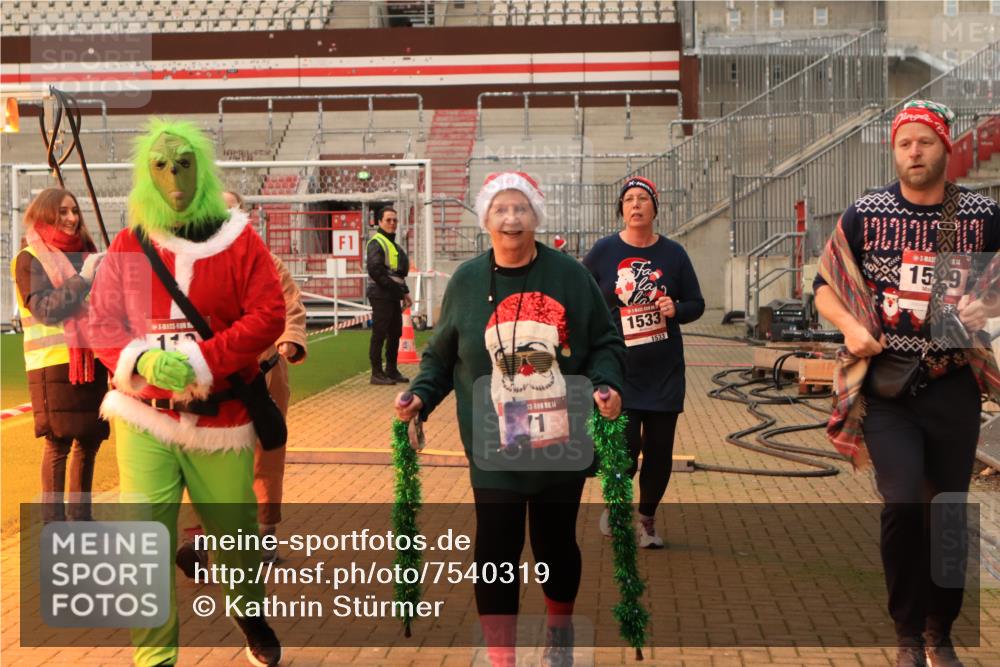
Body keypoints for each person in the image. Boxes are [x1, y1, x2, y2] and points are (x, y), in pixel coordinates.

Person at [395, 171, 625, 667]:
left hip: (561, 437)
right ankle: (501, 656)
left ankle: (559, 635)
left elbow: (605, 341)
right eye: (500, 209)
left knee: (554, 543)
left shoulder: (570, 276)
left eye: (521, 208)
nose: (511, 219)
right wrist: (420, 397)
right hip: (493, 440)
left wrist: (607, 384)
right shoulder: (466, 281)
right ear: (485, 219)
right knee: (495, 550)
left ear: (535, 215)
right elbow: (440, 358)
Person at [88, 119, 286, 667]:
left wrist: (205, 359)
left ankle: (248, 611)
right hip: (144, 416)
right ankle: (154, 657)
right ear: (145, 174)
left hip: (222, 421)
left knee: (236, 536)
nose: (173, 177)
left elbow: (269, 314)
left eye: (183, 163)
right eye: (160, 165)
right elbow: (101, 322)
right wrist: (140, 359)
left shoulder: (240, 242)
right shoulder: (129, 244)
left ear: (202, 168)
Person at [814, 100, 1000, 667]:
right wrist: (852, 329)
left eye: (925, 141)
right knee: (902, 505)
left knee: (947, 512)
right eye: (904, 143)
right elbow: (824, 286)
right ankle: (907, 635)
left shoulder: (982, 214)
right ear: (894, 150)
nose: (914, 152)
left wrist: (988, 306)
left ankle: (940, 632)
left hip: (952, 384)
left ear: (946, 146)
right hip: (889, 387)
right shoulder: (865, 213)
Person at [175, 190, 309, 573]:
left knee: (264, 455)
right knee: (204, 455)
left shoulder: (267, 261)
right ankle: (201, 540)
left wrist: (289, 339)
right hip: (211, 378)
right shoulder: (189, 263)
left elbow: (290, 304)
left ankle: (263, 534)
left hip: (262, 376)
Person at [583, 176, 704, 549]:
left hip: (663, 371)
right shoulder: (603, 251)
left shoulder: (674, 254)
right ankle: (616, 504)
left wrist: (676, 308)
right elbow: (582, 296)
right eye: (629, 199)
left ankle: (647, 520)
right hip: (619, 370)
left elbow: (697, 304)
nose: (635, 205)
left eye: (642, 199)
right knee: (624, 450)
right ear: (621, 209)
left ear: (655, 207)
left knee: (658, 454)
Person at [11, 188, 110, 523]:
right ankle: (53, 524)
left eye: (74, 211)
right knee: (58, 444)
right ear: (45, 214)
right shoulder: (30, 258)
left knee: (89, 441)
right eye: (63, 212)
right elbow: (45, 309)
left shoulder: (86, 253)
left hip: (92, 360)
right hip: (52, 364)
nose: (71, 218)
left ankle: (81, 520)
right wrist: (84, 279)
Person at [367, 206, 411, 385]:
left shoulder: (392, 244)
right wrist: (398, 290)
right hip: (381, 294)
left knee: (395, 333)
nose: (392, 223)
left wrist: (404, 292)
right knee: (380, 334)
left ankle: (391, 370)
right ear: (379, 222)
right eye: (388, 220)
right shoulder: (376, 242)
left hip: (392, 294)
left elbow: (396, 273)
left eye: (394, 220)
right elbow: (376, 270)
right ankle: (376, 373)